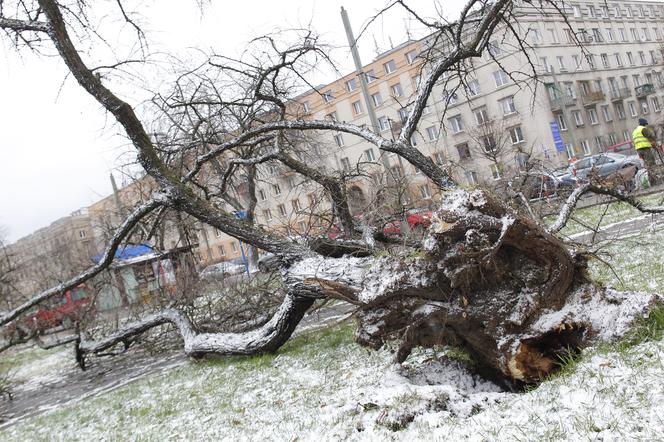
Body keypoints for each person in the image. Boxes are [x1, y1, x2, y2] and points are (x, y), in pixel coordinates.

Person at [633, 118, 658, 184]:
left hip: (639, 150)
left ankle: (652, 181)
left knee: (646, 165)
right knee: (651, 164)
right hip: (645, 149)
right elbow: (650, 137)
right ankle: (654, 181)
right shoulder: (643, 129)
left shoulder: (635, 131)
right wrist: (654, 144)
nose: (646, 125)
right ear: (643, 123)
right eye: (645, 124)